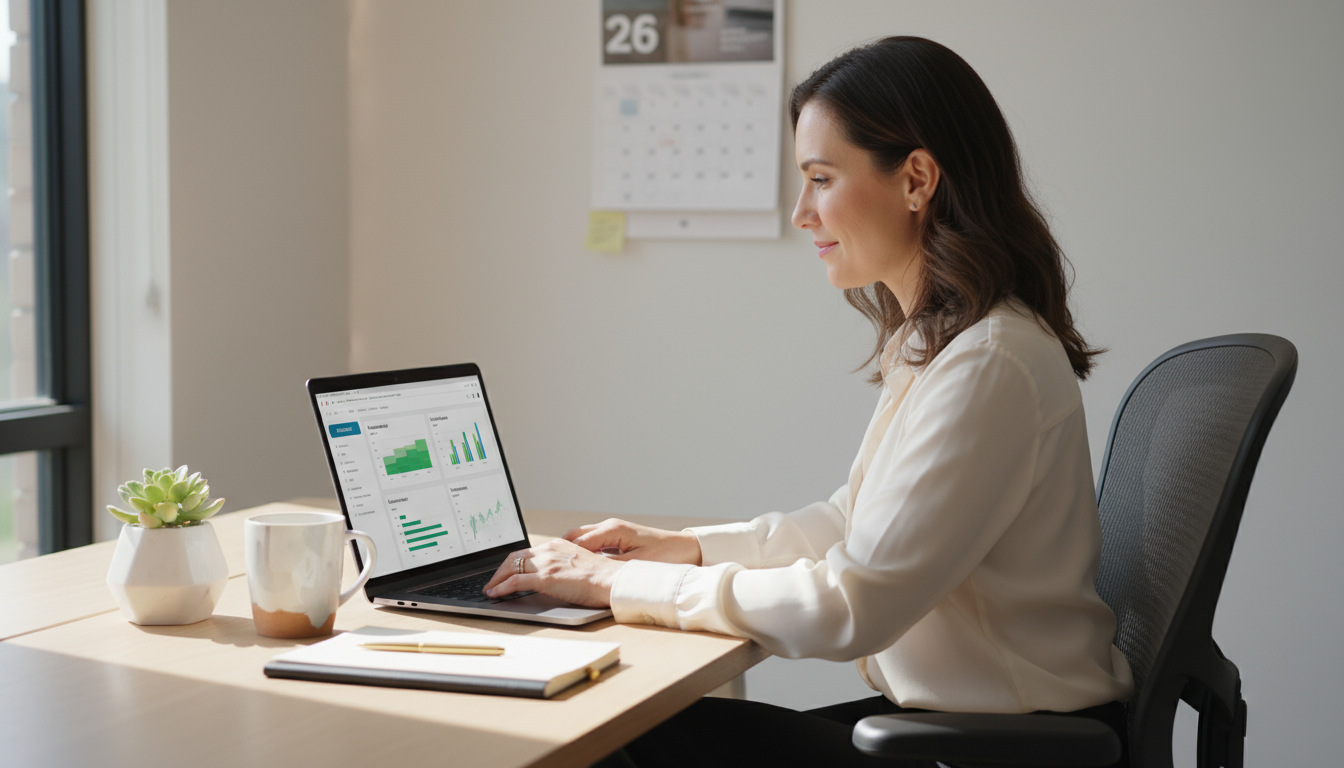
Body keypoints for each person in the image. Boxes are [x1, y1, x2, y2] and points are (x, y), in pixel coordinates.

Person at [483, 36, 1134, 768]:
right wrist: (688, 549)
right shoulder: (947, 342)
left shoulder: (989, 362)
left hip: (990, 750)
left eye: (821, 178)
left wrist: (620, 583)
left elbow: (852, 604)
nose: (801, 213)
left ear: (917, 179)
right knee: (628, 726)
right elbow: (851, 522)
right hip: (958, 728)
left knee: (604, 734)